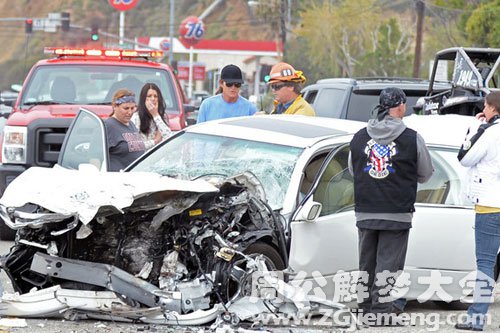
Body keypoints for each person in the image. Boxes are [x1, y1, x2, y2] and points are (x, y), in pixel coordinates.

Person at [348, 87, 433, 326]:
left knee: (367, 262)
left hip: (365, 209)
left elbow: (354, 170)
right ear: (400, 106)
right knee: (389, 263)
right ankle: (382, 312)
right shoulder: (412, 137)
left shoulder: (359, 136)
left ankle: (365, 309)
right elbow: (425, 174)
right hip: (397, 212)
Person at [455, 91, 500, 332]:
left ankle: (476, 318)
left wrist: (476, 127)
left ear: (492, 108)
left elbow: (465, 158)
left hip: (490, 204)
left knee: (486, 263)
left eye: (486, 105)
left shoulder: (490, 133)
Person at [105, 89, 146, 172]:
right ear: (115, 106)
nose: (130, 112)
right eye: (126, 108)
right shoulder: (108, 126)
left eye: (132, 108)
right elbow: (95, 158)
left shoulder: (131, 124)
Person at [131, 83, 171, 150]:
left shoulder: (161, 117)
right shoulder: (136, 117)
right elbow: (133, 146)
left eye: (155, 96)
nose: (153, 99)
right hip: (143, 158)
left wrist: (155, 115)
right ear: (143, 99)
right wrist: (155, 141)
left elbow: (169, 138)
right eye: (149, 96)